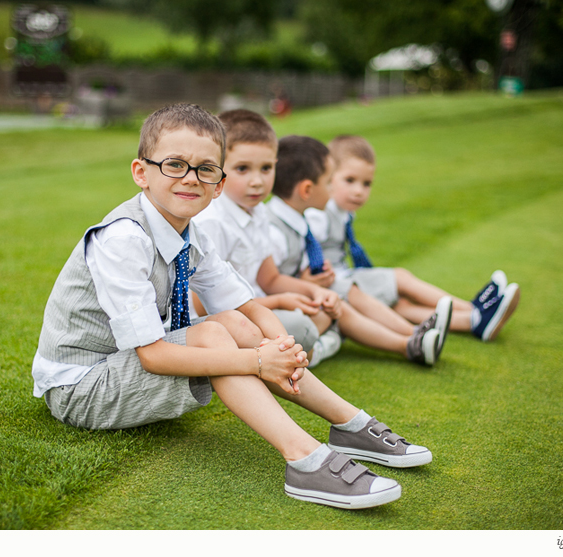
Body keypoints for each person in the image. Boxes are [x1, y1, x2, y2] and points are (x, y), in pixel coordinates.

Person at [31, 103, 432, 510]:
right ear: (141, 172)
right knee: (212, 333)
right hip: (80, 387)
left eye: (206, 169)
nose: (191, 178)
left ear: (218, 184)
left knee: (233, 322)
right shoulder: (123, 239)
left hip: (123, 365)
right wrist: (258, 363)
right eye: (174, 165)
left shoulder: (191, 234)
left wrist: (283, 347)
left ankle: (350, 424)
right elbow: (151, 355)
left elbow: (248, 306)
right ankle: (305, 459)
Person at [305, 135, 520, 342]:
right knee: (401, 278)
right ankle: (475, 310)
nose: (359, 191)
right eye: (350, 180)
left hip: (347, 276)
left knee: (401, 304)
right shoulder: (319, 214)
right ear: (329, 177)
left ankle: (473, 319)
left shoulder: (343, 211)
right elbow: (304, 253)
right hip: (337, 283)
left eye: (366, 183)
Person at [266, 134, 452, 366]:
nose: (332, 188)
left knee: (339, 307)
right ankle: (411, 340)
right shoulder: (275, 230)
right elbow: (266, 282)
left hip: (302, 295)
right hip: (276, 307)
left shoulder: (298, 219)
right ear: (306, 190)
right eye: (328, 182)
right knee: (340, 305)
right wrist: (308, 284)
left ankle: (413, 339)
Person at [192, 109, 342, 368]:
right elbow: (203, 307)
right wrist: (279, 302)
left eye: (266, 168)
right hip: (221, 324)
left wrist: (314, 290)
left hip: (257, 311)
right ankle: (311, 350)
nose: (257, 181)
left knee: (320, 308)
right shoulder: (211, 222)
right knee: (302, 327)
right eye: (242, 169)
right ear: (216, 168)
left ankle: (306, 348)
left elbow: (270, 278)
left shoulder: (259, 212)